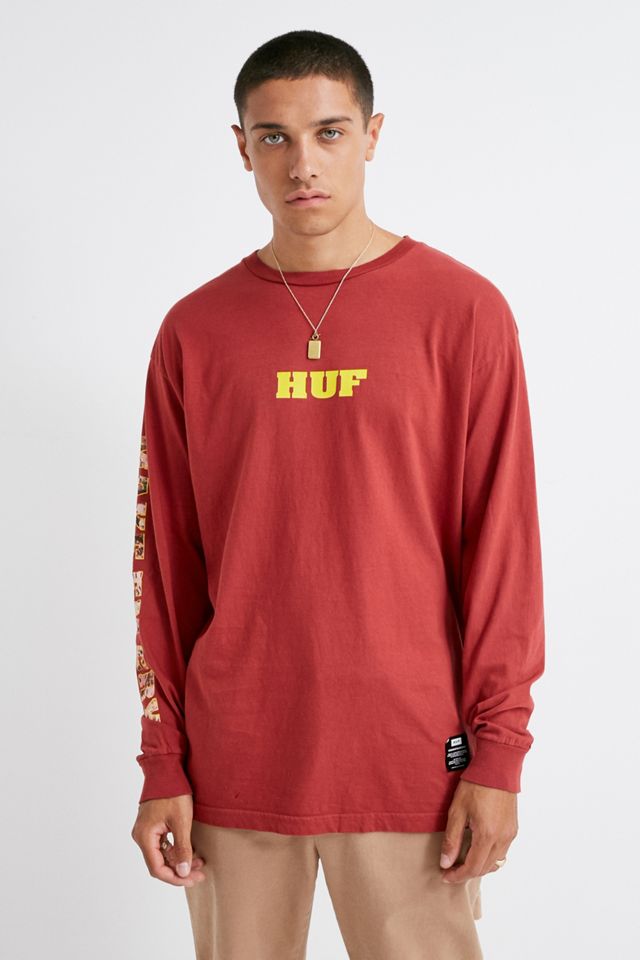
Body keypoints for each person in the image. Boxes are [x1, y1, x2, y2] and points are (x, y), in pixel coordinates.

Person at [129, 28, 545, 960]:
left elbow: (502, 549)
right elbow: (165, 567)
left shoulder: (463, 313)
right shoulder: (196, 331)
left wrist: (500, 755)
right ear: (241, 147)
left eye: (329, 132)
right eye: (273, 136)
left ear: (372, 134)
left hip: (411, 758)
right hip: (235, 760)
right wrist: (162, 761)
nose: (303, 163)